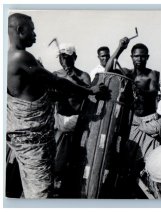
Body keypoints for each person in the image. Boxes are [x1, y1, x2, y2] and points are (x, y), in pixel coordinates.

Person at [7, 13, 110, 198]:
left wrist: (77, 86)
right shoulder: (20, 57)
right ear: (20, 30)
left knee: (39, 182)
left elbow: (47, 90)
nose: (35, 35)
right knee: (40, 190)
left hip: (41, 135)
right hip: (33, 138)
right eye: (32, 30)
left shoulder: (82, 75)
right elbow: (57, 83)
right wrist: (89, 91)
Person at [105, 37, 161, 174]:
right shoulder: (127, 73)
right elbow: (107, 69)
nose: (139, 59)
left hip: (149, 120)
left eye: (142, 56)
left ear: (147, 57)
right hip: (131, 123)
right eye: (136, 56)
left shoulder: (152, 74)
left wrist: (136, 88)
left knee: (152, 161)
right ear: (131, 57)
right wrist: (120, 48)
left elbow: (152, 92)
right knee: (131, 161)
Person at [53, 43, 91, 197]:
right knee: (55, 160)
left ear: (74, 57)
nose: (64, 61)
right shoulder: (55, 75)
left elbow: (90, 94)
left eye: (67, 57)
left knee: (74, 162)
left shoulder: (83, 76)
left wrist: (74, 79)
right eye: (62, 57)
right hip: (58, 120)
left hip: (77, 124)